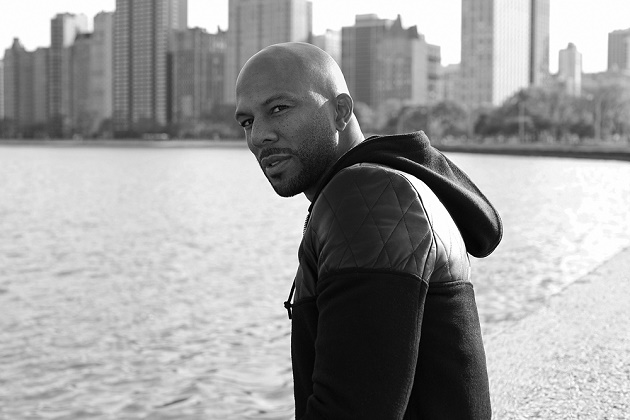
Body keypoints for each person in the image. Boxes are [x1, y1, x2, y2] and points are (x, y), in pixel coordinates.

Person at [235, 42, 503, 419]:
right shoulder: (382, 189)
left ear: (341, 111)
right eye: (247, 121)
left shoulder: (368, 198)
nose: (259, 136)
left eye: (278, 109)